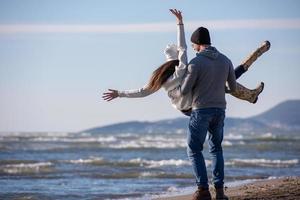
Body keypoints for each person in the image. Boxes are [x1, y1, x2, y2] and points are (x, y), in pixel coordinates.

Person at [102, 9, 270, 117]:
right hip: (194, 104)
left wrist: (120, 93)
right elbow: (182, 47)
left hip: (186, 109)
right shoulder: (182, 68)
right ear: (176, 59)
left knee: (220, 75)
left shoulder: (160, 78)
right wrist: (180, 23)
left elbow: (142, 92)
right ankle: (250, 89)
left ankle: (250, 92)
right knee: (223, 75)